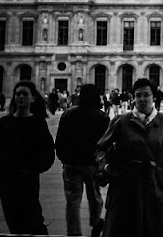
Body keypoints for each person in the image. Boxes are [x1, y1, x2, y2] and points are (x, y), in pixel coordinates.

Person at [95, 78, 163, 237]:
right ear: (133, 98)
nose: (142, 99)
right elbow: (100, 149)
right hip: (124, 186)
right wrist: (106, 167)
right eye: (138, 95)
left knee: (153, 230)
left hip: (154, 186)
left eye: (146, 95)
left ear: (153, 96)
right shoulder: (121, 121)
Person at [0, 81, 55, 235]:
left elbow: (48, 153)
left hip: (28, 181)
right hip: (7, 182)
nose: (21, 97)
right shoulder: (5, 122)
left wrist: (31, 168)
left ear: (32, 98)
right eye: (18, 94)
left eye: (25, 94)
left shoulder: (37, 123)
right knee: (13, 222)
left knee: (34, 220)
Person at [55, 84, 109, 237]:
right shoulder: (102, 116)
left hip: (71, 164)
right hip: (92, 164)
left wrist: (63, 158)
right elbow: (106, 143)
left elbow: (60, 139)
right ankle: (96, 221)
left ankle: (74, 232)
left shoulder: (68, 113)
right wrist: (103, 163)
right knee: (95, 197)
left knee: (72, 201)